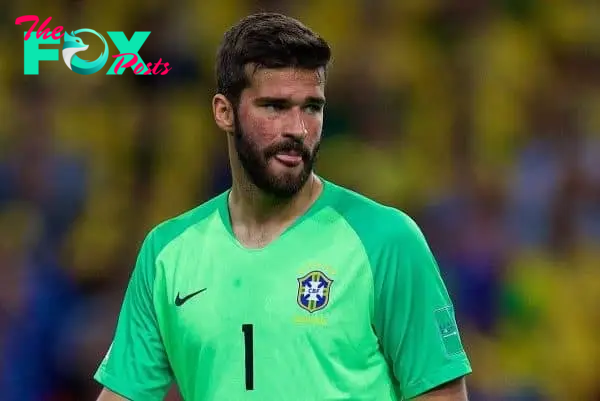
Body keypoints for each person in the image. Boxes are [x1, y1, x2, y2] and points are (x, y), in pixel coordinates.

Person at [95, 12, 472, 401]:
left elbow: (441, 394)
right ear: (224, 112)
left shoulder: (386, 241)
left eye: (312, 107)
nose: (298, 129)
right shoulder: (168, 254)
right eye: (274, 107)